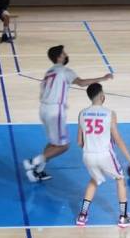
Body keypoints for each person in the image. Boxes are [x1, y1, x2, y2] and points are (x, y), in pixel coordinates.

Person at [23, 45, 113, 182]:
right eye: (64, 53)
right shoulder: (64, 71)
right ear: (59, 57)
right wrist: (103, 78)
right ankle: (33, 162)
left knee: (53, 143)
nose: (66, 55)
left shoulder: (49, 72)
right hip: (55, 111)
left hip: (44, 109)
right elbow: (81, 83)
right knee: (63, 146)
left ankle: (37, 171)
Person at [75, 83, 130, 228]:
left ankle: (82, 216)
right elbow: (118, 139)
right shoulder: (110, 113)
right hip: (105, 155)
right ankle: (123, 218)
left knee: (94, 180)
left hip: (88, 155)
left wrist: (92, 146)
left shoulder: (82, 113)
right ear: (102, 96)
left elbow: (79, 142)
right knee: (120, 179)